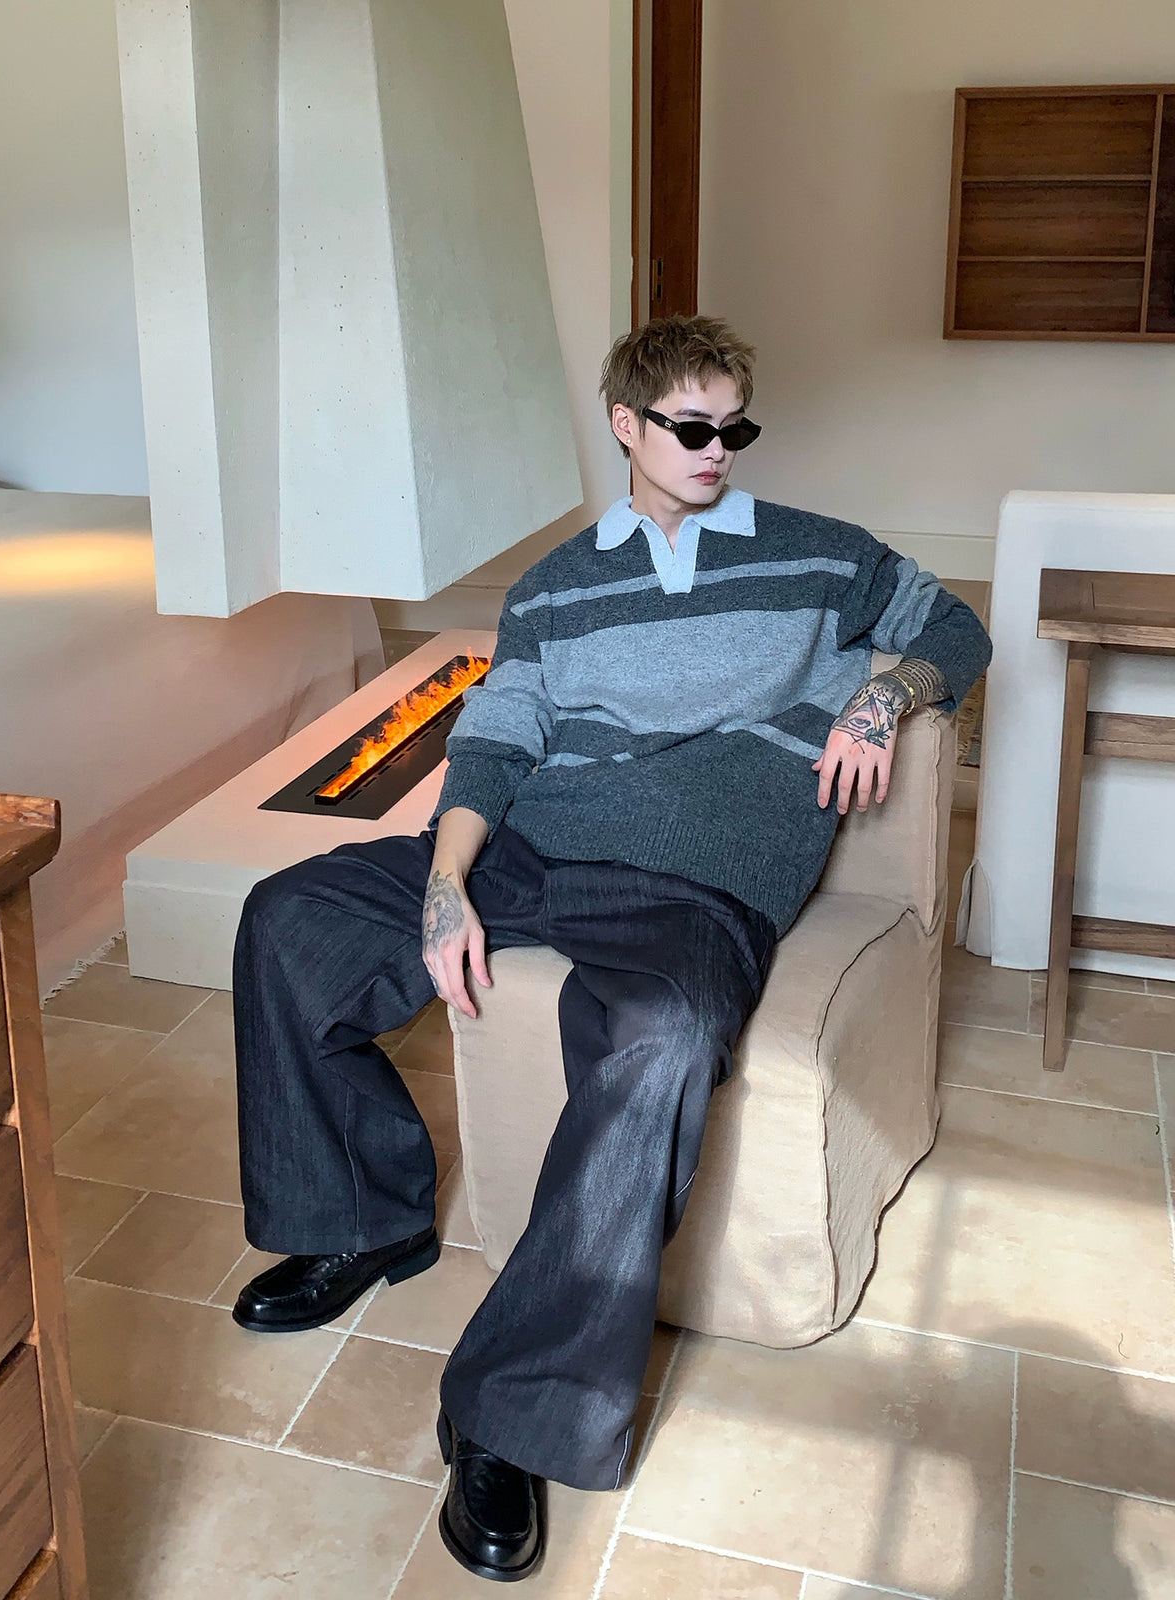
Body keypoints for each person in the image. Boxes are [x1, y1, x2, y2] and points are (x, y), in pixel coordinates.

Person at [230, 314, 992, 1583]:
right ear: (627, 426)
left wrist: (878, 695)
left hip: (700, 879)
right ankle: (362, 1218)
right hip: (537, 843)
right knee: (289, 918)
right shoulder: (556, 584)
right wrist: (447, 880)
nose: (717, 449)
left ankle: (511, 1412)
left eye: (734, 427)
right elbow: (496, 740)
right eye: (690, 428)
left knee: (665, 1039)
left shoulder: (819, 555)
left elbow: (954, 626)